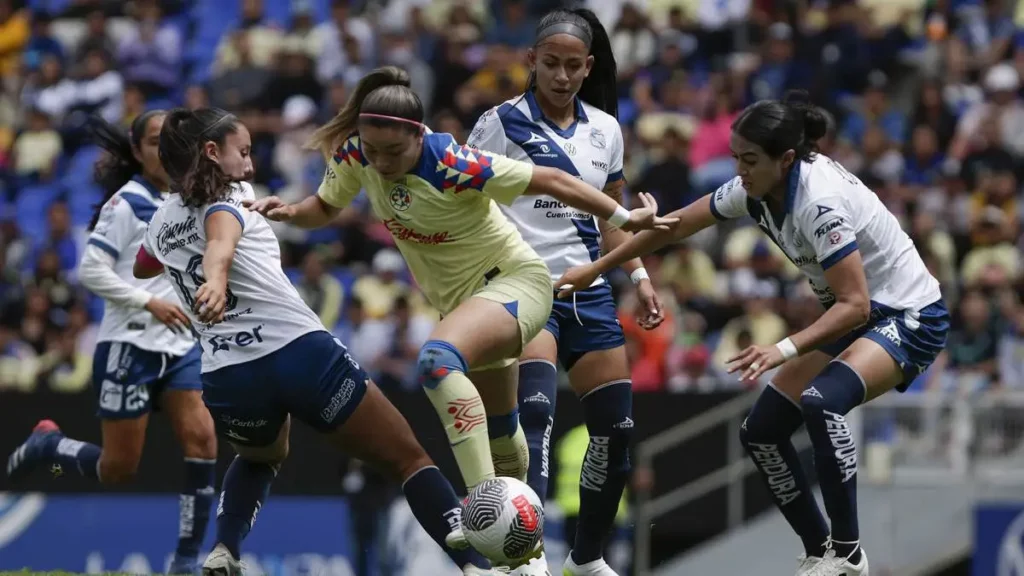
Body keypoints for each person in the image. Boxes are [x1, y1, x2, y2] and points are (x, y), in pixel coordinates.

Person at [245, 66, 673, 537]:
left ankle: (485, 506)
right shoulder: (355, 155)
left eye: (394, 152)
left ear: (418, 135)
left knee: (436, 362)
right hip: (465, 307)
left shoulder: (452, 161)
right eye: (374, 151)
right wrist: (289, 212)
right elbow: (325, 207)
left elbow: (552, 179)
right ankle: (524, 555)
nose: (382, 163)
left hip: (516, 284)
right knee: (503, 431)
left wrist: (623, 216)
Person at [555, 90, 948, 576]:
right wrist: (600, 268)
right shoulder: (755, 186)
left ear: (785, 159)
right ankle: (818, 551)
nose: (738, 171)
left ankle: (848, 554)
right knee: (761, 432)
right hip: (857, 315)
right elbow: (674, 227)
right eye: (735, 158)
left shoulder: (819, 202)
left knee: (822, 402)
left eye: (749, 160)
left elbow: (855, 304)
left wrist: (780, 349)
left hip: (907, 316)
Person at [135, 107, 494, 576]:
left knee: (259, 456)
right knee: (407, 458)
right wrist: (216, 280)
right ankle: (477, 567)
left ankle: (224, 549)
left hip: (228, 377)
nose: (249, 164)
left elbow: (144, 264)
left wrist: (179, 256)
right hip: (299, 355)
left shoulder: (160, 224)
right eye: (242, 152)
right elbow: (219, 243)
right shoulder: (232, 195)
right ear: (210, 153)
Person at [466, 9, 661, 576]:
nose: (560, 75)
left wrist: (641, 278)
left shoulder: (606, 129)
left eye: (573, 66)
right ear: (532, 61)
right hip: (527, 289)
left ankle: (588, 557)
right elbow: (469, 205)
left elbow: (616, 218)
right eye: (550, 63)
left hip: (593, 294)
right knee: (536, 415)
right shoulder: (499, 123)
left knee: (617, 434)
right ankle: (525, 554)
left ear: (588, 67)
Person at [5, 111, 218, 575]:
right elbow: (90, 271)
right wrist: (148, 303)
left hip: (179, 345)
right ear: (137, 150)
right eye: (156, 141)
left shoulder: (190, 198)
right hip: (130, 345)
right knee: (119, 468)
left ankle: (185, 561)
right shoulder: (128, 203)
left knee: (203, 442)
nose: (165, 149)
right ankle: (50, 446)